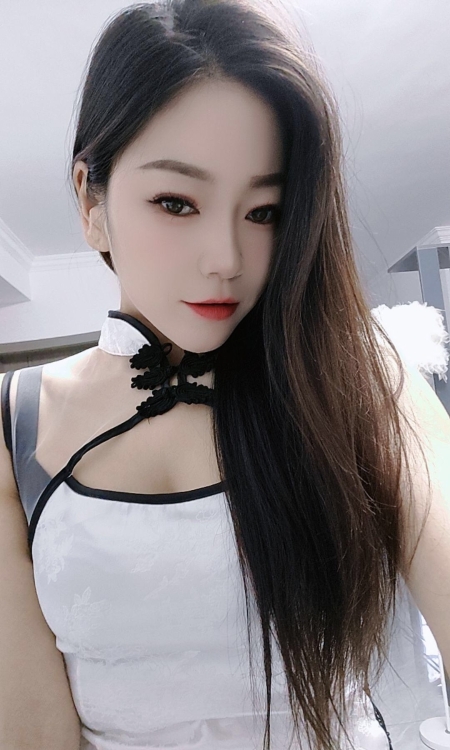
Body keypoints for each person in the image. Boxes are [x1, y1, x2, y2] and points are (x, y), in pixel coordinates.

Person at [2, 0, 449, 748]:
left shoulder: (360, 375)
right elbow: (33, 735)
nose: (227, 259)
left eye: (265, 211)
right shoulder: (15, 423)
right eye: (176, 202)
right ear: (90, 199)